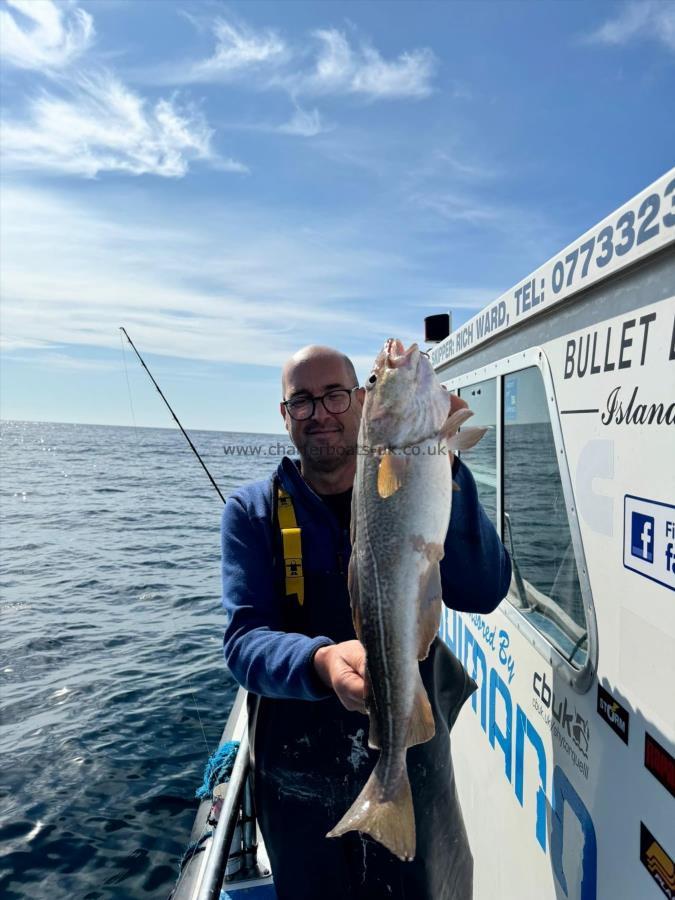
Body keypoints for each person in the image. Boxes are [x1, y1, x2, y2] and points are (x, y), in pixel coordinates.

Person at [221, 345, 511, 900]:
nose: (321, 412)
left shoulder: (422, 473)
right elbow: (242, 642)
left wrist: (445, 466)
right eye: (301, 401)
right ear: (285, 416)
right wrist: (320, 661)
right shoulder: (251, 513)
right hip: (299, 787)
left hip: (418, 772)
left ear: (359, 402)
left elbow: (484, 591)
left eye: (335, 394)